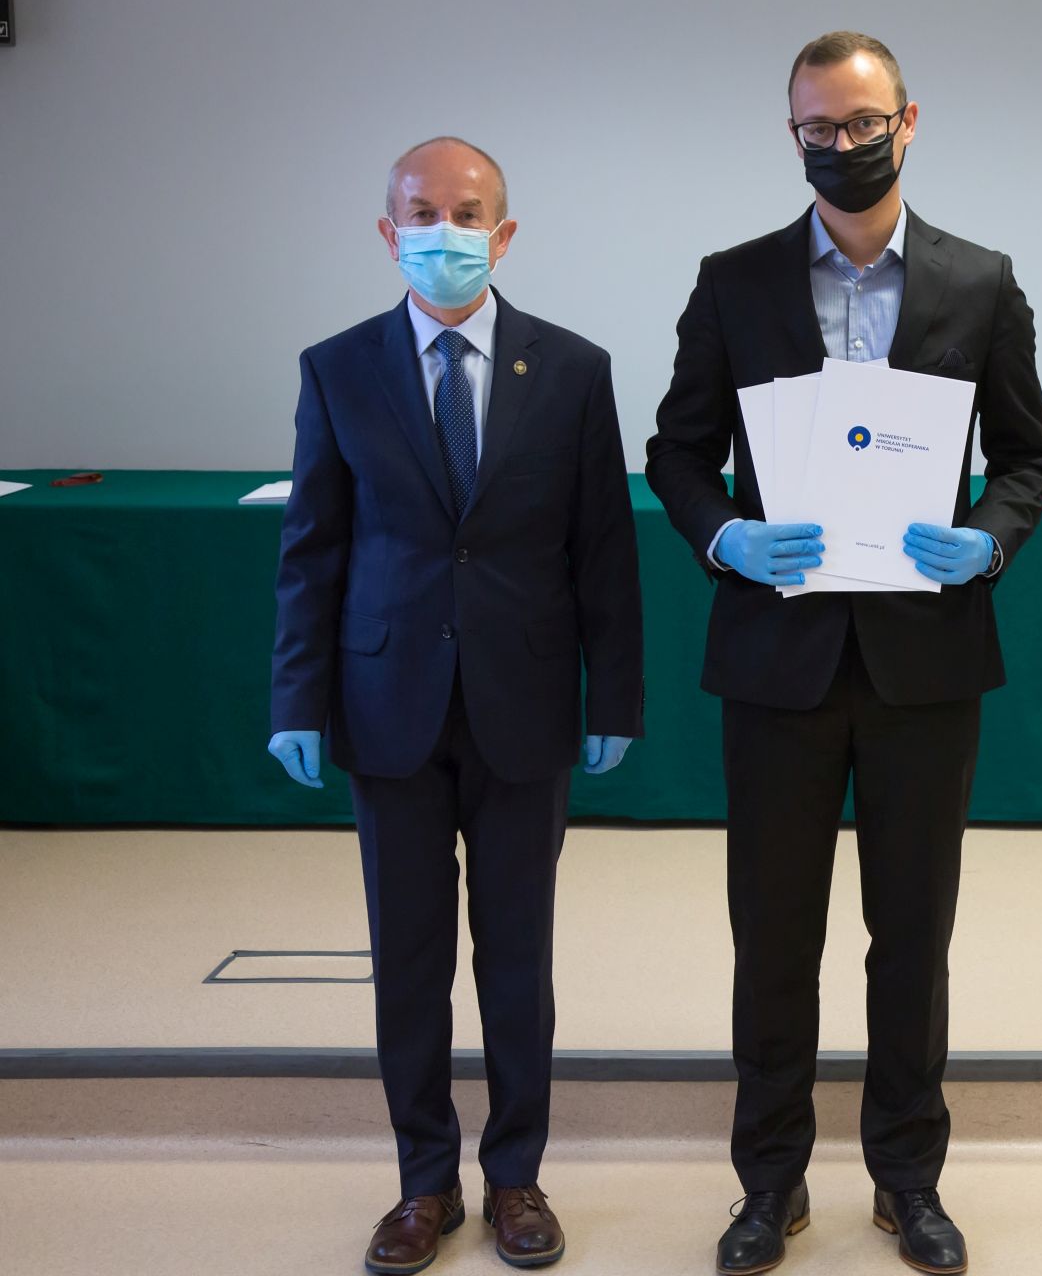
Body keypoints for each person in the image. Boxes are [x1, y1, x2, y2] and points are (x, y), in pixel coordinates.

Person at [647, 30, 1042, 1276]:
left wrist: (987, 539)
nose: (842, 144)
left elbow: (1029, 458)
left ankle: (907, 1178)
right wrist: (725, 535)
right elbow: (676, 452)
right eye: (817, 128)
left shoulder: (981, 281)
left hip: (925, 661)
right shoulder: (734, 281)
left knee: (912, 935)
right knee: (773, 936)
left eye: (863, 122)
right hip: (775, 657)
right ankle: (769, 1183)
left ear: (908, 121)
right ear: (793, 135)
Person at [267, 136, 644, 1274]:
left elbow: (603, 549)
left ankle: (516, 1174)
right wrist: (296, 696)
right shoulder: (338, 368)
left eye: (467, 213)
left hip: (525, 700)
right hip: (386, 702)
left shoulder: (571, 369)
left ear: (504, 232)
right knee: (410, 956)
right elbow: (313, 548)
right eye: (422, 213)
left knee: (517, 956)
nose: (445, 231)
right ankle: (423, 1182)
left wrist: (616, 693)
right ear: (389, 233)